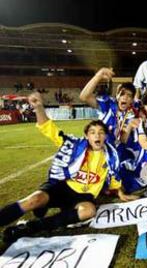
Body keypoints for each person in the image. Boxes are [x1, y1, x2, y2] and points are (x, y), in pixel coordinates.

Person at [0, 92, 136, 243]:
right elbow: (49, 129)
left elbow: (114, 180)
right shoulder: (74, 145)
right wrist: (39, 108)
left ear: (105, 136)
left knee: (89, 211)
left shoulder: (111, 156)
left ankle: (29, 227)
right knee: (34, 199)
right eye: (92, 133)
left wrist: (121, 193)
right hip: (63, 186)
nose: (97, 136)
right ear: (86, 136)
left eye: (101, 133)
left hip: (83, 196)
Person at [79, 67, 138, 147]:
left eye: (129, 96)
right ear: (117, 95)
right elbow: (84, 97)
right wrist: (98, 76)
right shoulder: (107, 104)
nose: (125, 97)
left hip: (120, 153)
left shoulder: (132, 113)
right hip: (101, 149)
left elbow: (123, 140)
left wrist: (129, 126)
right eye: (122, 94)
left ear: (132, 100)